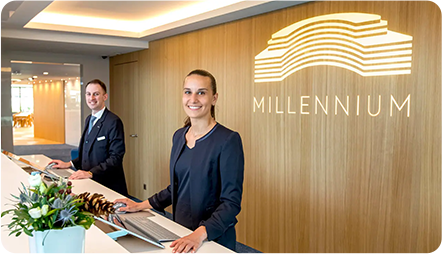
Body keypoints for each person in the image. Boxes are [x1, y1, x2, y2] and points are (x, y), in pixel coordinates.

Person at [115, 69, 244, 253]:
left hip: (212, 238)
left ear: (214, 98)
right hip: (180, 232)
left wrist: (199, 234)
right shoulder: (179, 136)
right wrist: (140, 205)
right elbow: (176, 187)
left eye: (201, 92)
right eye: (187, 92)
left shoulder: (228, 140)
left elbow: (231, 202)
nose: (193, 99)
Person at [49, 79, 128, 196]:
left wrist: (91, 173)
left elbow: (116, 158)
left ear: (105, 97)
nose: (91, 98)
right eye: (88, 94)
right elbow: (87, 153)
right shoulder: (89, 119)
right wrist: (69, 164)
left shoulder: (113, 121)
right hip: (88, 184)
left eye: (96, 94)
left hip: (108, 186)